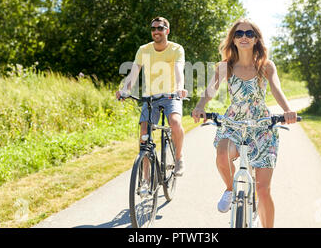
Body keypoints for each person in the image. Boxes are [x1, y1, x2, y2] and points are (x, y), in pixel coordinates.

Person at [191, 19, 297, 228]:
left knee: (263, 190)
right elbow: (210, 91)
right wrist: (200, 106)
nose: (244, 37)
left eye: (249, 34)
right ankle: (231, 190)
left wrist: (287, 110)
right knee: (222, 153)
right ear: (233, 40)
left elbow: (276, 89)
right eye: (239, 34)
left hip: (262, 127)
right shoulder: (225, 67)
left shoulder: (265, 66)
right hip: (234, 123)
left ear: (256, 39)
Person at [116, 16, 188, 176]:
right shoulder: (143, 50)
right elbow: (134, 73)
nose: (156, 31)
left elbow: (178, 70)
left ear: (167, 31)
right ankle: (146, 176)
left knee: (175, 123)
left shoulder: (176, 49)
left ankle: (179, 158)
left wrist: (179, 88)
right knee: (144, 132)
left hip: (171, 95)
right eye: (153, 28)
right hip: (150, 98)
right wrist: (124, 90)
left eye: (160, 28)